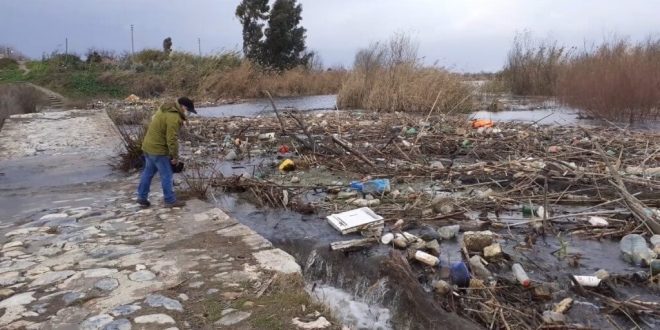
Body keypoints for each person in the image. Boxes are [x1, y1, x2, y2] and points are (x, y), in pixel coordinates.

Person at [136, 97, 196, 208]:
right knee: (167, 175)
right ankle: (170, 200)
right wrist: (175, 156)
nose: (188, 113)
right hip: (158, 150)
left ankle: (141, 197)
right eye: (188, 111)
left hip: (148, 147)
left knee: (148, 172)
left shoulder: (165, 108)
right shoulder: (173, 117)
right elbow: (171, 139)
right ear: (183, 107)